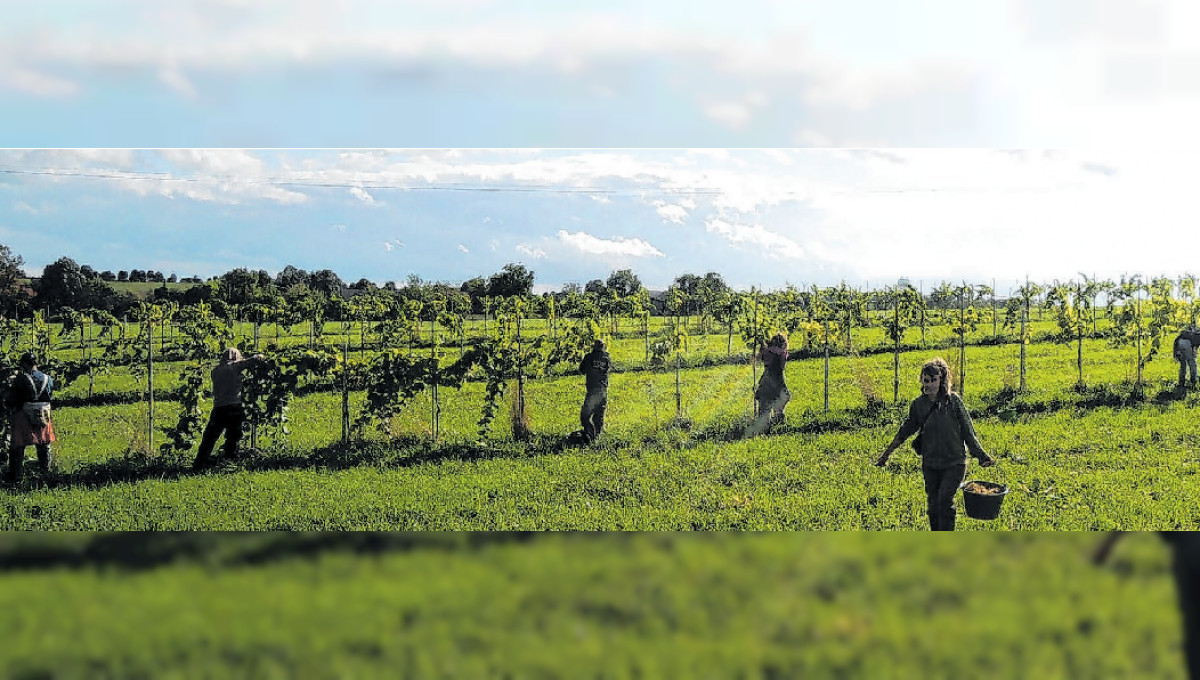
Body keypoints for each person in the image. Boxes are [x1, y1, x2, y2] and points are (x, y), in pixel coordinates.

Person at [874, 357, 995, 531]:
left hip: (954, 463)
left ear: (942, 380)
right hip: (930, 464)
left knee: (944, 500)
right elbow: (904, 431)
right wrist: (885, 456)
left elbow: (969, 432)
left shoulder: (953, 402)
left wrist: (982, 456)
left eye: (933, 380)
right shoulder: (918, 405)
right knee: (933, 506)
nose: (929, 385)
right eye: (926, 381)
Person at [192, 348, 265, 470]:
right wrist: (261, 356)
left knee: (210, 438)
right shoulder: (234, 367)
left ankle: (199, 462)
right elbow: (254, 360)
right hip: (234, 407)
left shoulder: (215, 371)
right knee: (233, 437)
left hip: (219, 408)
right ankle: (229, 460)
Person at [5, 353, 55, 482]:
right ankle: (46, 472)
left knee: (18, 446)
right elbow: (49, 395)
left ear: (25, 364)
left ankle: (15, 476)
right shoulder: (47, 378)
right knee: (44, 444)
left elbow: (13, 398)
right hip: (43, 414)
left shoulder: (21, 379)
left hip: (24, 415)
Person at [578, 339, 612, 443]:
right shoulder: (607, 357)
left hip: (592, 392)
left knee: (584, 416)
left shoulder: (589, 357)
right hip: (603, 391)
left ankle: (590, 436)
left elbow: (581, 370)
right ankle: (597, 439)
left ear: (594, 347)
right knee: (598, 417)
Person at [755, 332, 790, 428]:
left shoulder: (766, 352)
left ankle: (763, 424)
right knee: (780, 403)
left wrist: (762, 346)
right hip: (778, 381)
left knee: (764, 404)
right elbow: (782, 364)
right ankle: (778, 422)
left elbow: (757, 359)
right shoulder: (783, 353)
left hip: (766, 380)